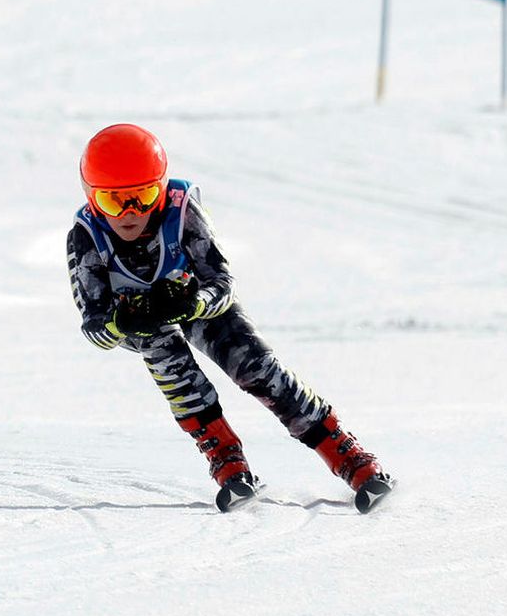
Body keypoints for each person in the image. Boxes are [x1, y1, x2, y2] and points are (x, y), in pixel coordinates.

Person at [67, 123, 394, 513]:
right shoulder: (86, 235)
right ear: (91, 198)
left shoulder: (180, 210)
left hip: (197, 301)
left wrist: (195, 303)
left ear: (161, 186)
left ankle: (350, 457)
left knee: (254, 367)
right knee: (167, 358)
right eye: (114, 201)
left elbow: (222, 282)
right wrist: (123, 323)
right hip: (142, 320)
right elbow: (94, 326)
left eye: (143, 195)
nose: (130, 213)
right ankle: (228, 464)